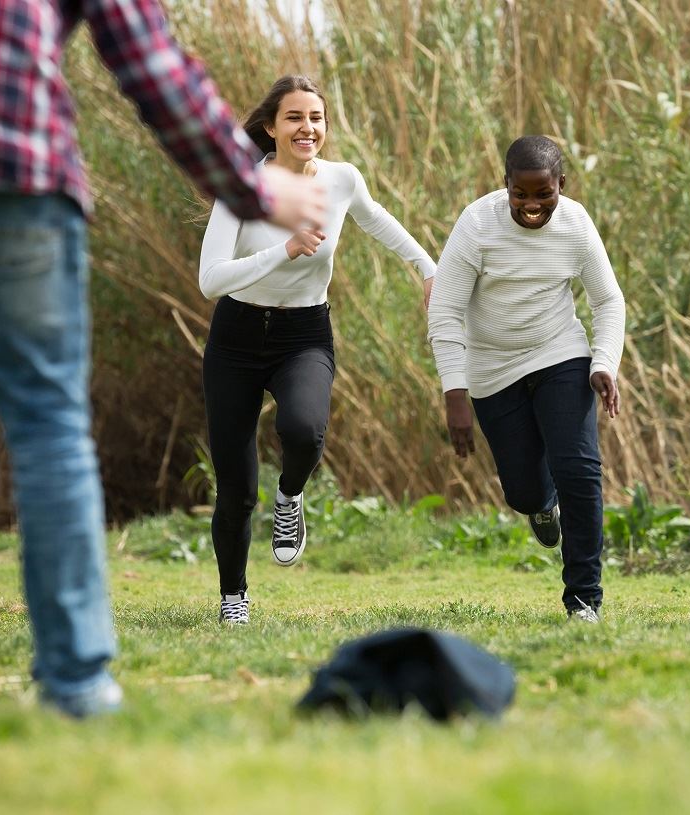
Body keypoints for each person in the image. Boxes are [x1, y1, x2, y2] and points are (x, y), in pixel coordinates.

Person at [0, 0, 326, 717]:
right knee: (47, 429)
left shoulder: (341, 180)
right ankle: (75, 684)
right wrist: (254, 188)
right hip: (13, 160)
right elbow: (150, 63)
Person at [197, 75, 437, 626]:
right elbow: (210, 280)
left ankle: (290, 498)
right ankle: (233, 596)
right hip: (234, 338)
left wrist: (428, 267)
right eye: (294, 118)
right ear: (270, 128)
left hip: (303, 334)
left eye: (317, 118)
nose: (308, 128)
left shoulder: (341, 180)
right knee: (234, 488)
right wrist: (282, 251)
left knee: (305, 430)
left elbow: (379, 221)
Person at [427, 135, 626, 623]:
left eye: (544, 194)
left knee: (579, 471)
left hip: (560, 353)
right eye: (521, 194)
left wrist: (603, 362)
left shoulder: (577, 225)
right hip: (493, 368)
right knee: (523, 491)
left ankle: (584, 598)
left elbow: (607, 300)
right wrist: (455, 391)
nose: (532, 205)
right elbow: (446, 309)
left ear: (562, 184)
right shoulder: (477, 225)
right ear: (506, 186)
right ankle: (541, 505)